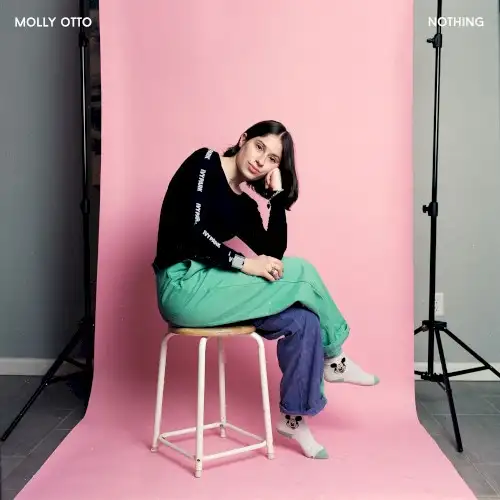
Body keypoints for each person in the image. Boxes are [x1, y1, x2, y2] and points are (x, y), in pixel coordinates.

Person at [152, 120, 379, 460]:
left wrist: (277, 199)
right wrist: (244, 263)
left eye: (273, 159)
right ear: (243, 139)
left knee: (304, 321)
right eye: (260, 147)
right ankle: (335, 356)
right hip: (182, 286)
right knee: (303, 273)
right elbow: (193, 230)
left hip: (215, 289)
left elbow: (273, 254)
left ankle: (294, 417)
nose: (261, 161)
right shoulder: (205, 162)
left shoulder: (244, 206)